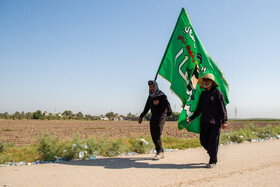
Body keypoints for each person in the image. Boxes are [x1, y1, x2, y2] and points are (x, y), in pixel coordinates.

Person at [187, 73, 228, 168]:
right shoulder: (203, 94)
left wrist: (224, 121)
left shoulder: (217, 93)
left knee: (213, 142)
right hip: (204, 122)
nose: (206, 82)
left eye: (208, 80)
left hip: (215, 123)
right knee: (203, 141)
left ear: (212, 82)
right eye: (204, 80)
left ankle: (212, 160)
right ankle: (213, 154)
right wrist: (191, 118)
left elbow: (222, 108)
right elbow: (199, 109)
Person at [138, 80, 172, 160]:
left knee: (157, 133)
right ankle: (160, 151)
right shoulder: (150, 96)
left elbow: (167, 105)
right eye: (150, 87)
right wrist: (141, 116)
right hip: (154, 116)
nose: (152, 88)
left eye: (153, 86)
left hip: (161, 116)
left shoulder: (161, 95)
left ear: (156, 86)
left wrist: (159, 102)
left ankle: (160, 152)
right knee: (153, 133)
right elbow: (147, 107)